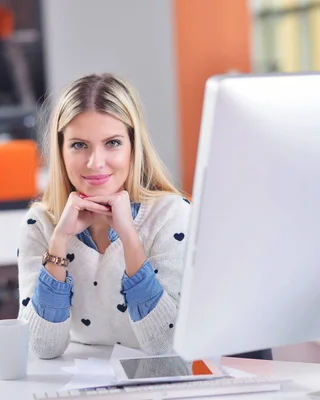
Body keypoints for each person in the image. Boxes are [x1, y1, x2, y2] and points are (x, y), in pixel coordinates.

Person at [17, 73, 191, 359]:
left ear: (134, 147)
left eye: (112, 143)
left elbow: (164, 344)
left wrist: (129, 238)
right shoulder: (40, 224)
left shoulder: (171, 214)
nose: (95, 162)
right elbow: (43, 348)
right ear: (60, 151)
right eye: (78, 144)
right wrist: (60, 240)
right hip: (77, 383)